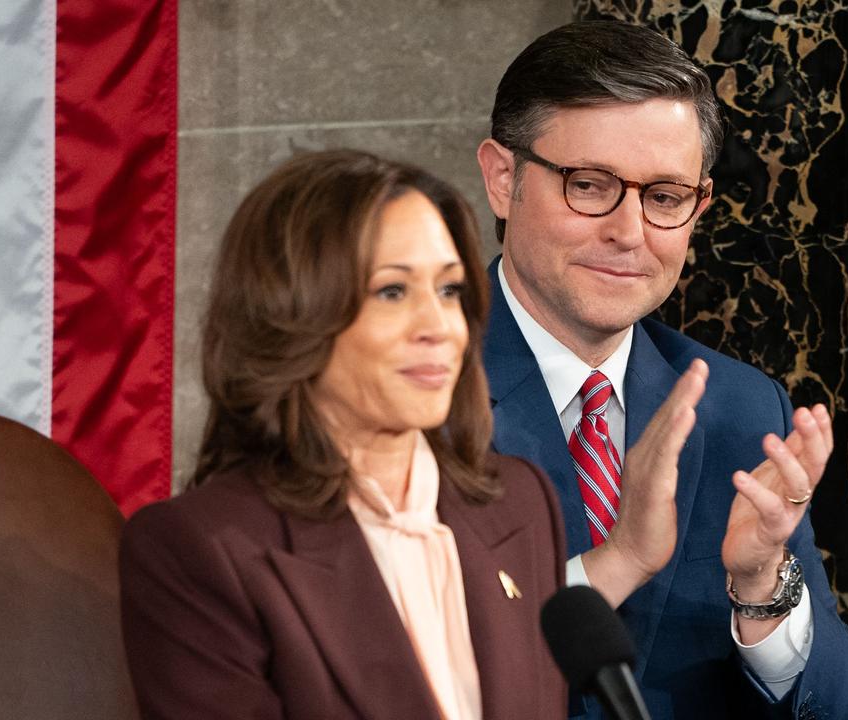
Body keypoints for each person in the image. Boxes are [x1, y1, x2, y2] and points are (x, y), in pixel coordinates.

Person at [475, 20, 848, 719]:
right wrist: (616, 561)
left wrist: (760, 588)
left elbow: (846, 710)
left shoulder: (740, 410)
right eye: (590, 184)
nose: (630, 232)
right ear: (503, 177)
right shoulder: (407, 397)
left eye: (664, 198)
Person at [118, 150, 566, 720]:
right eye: (393, 292)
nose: (438, 327)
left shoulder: (520, 502)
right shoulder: (198, 550)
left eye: (450, 290)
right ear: (296, 315)